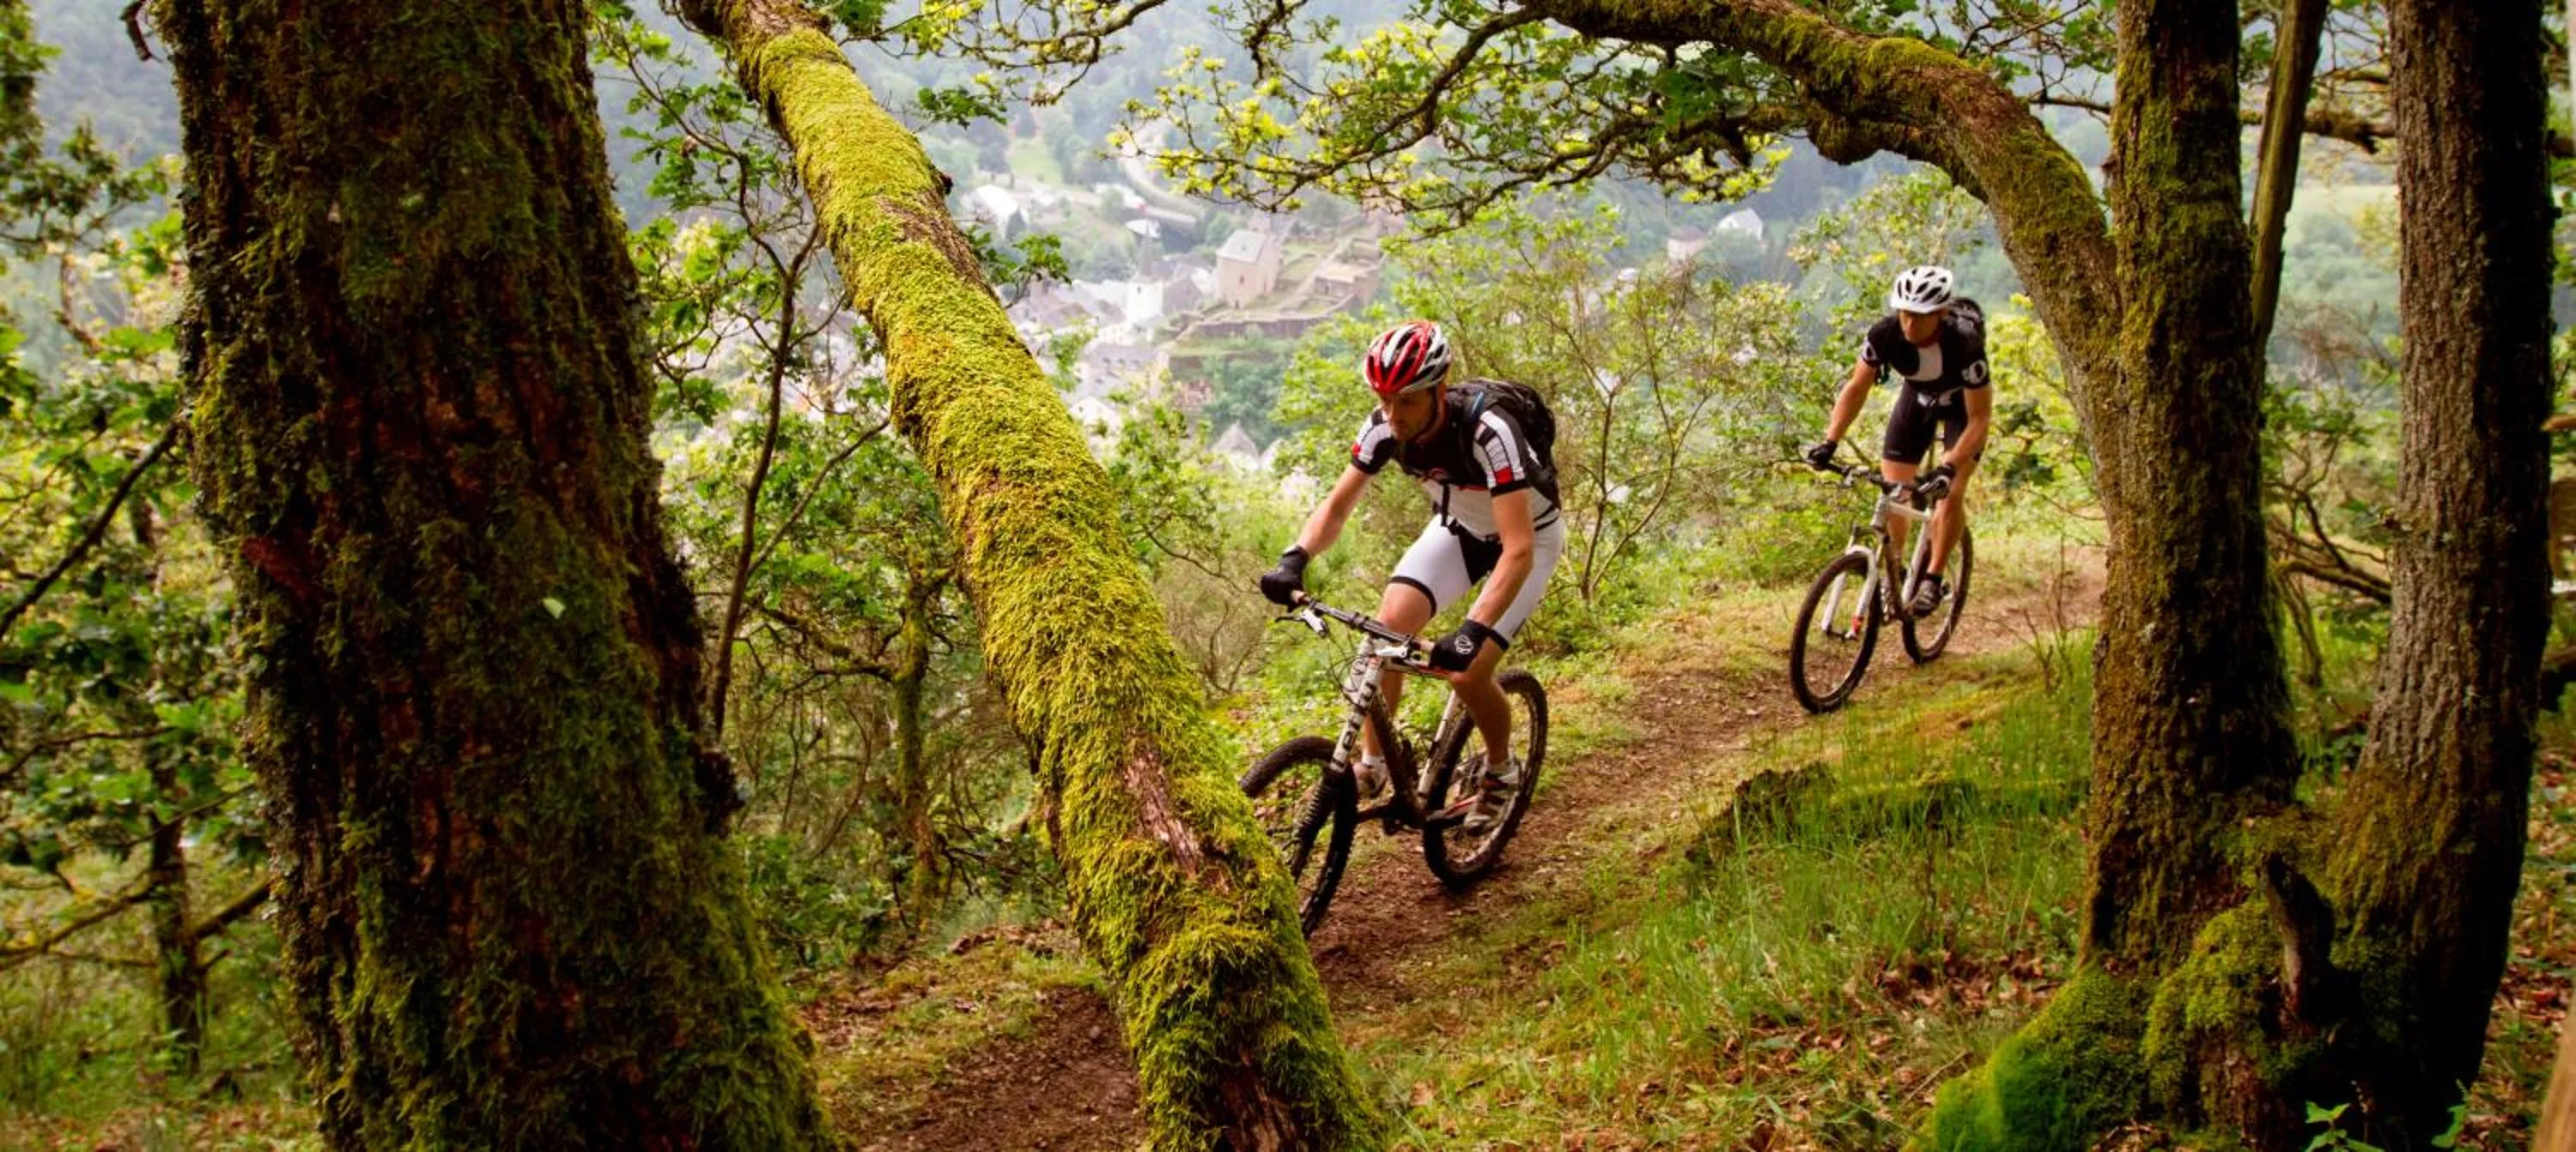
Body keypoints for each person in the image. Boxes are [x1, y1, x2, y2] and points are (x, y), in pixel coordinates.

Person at [1258, 319, 1564, 833]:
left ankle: (1500, 770)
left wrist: (1469, 633)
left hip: (1527, 538)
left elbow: (1518, 549)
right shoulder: (1382, 426)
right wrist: (1296, 556)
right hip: (1461, 528)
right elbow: (1337, 507)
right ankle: (1374, 767)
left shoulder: (1490, 432)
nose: (1393, 415)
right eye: (1383, 399)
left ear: (1439, 392)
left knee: (1467, 671)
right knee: (1387, 629)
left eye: (1406, 402)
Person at [1806, 265, 1991, 615]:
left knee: (1950, 492)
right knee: (1893, 488)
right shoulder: (1885, 334)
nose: (1910, 324)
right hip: (1918, 398)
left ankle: (1932, 580)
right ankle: (1894, 573)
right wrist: (1830, 441)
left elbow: (1981, 417)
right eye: (1905, 313)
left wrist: (1949, 466)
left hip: (1961, 410)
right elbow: (1856, 388)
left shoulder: (1966, 344)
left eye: (1920, 317)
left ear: (1940, 313)